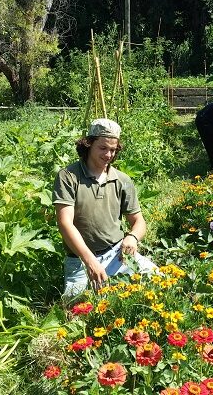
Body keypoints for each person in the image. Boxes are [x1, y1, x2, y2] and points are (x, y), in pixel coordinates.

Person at [53, 118, 156, 300]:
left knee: (158, 282)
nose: (108, 154)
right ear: (88, 145)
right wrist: (90, 261)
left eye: (113, 150)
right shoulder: (68, 176)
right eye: (103, 148)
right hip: (80, 260)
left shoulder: (122, 180)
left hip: (117, 254)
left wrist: (132, 237)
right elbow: (64, 222)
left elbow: (138, 221)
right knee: (76, 309)